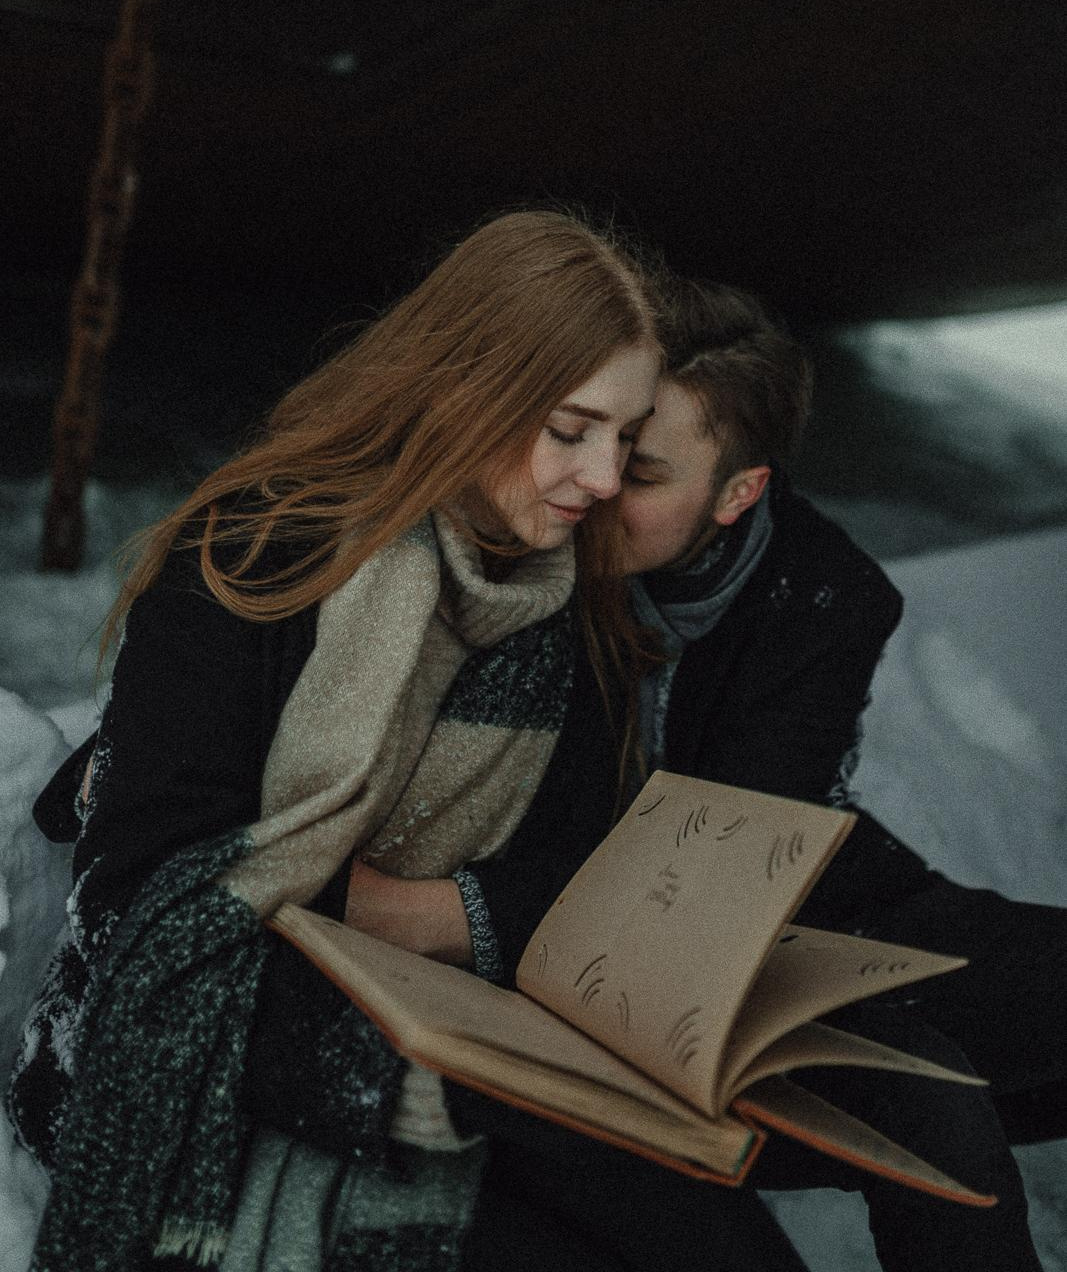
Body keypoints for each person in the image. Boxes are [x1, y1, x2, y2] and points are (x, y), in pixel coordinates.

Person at [6, 208, 663, 1272]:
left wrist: (441, 921)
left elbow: (582, 867)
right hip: (186, 1078)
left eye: (627, 442)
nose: (601, 477)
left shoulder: (562, 617)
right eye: (572, 428)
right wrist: (402, 1069)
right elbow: (144, 903)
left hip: (453, 1072)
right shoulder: (261, 558)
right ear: (468, 387)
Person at [447, 277, 1057, 1269]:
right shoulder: (536, 529)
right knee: (927, 1098)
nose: (593, 483)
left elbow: (731, 841)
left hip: (775, 905)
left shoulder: (823, 593)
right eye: (583, 439)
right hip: (564, 958)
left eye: (639, 470)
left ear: (737, 491)